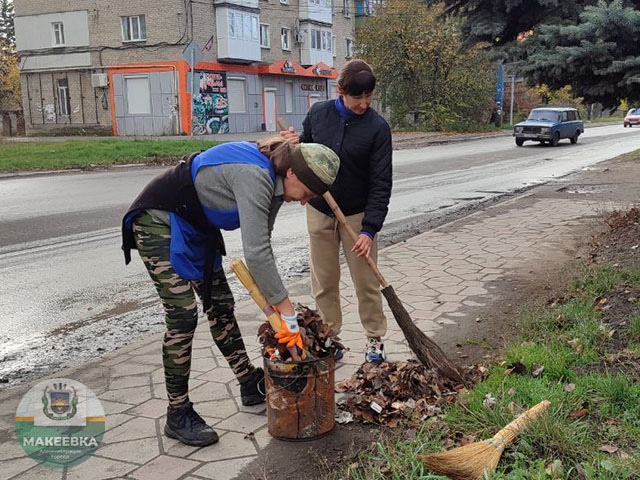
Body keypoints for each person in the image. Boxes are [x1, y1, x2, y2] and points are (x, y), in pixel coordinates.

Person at [121, 138, 340, 447]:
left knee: (222, 304)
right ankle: (178, 412)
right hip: (159, 219)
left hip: (196, 225)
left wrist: (276, 306)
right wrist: (287, 311)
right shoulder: (256, 177)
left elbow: (262, 242)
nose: (305, 201)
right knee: (183, 315)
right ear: (291, 173)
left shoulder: (278, 187)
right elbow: (257, 253)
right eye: (307, 192)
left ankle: (249, 383)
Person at [281, 59, 393, 364]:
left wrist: (370, 229)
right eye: (357, 97)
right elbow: (305, 154)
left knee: (366, 281)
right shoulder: (319, 113)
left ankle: (374, 338)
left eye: (369, 97)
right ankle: (331, 338)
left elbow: (381, 183)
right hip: (319, 209)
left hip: (357, 216)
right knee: (324, 280)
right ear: (340, 90)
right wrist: (294, 144)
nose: (364, 103)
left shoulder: (377, 128)